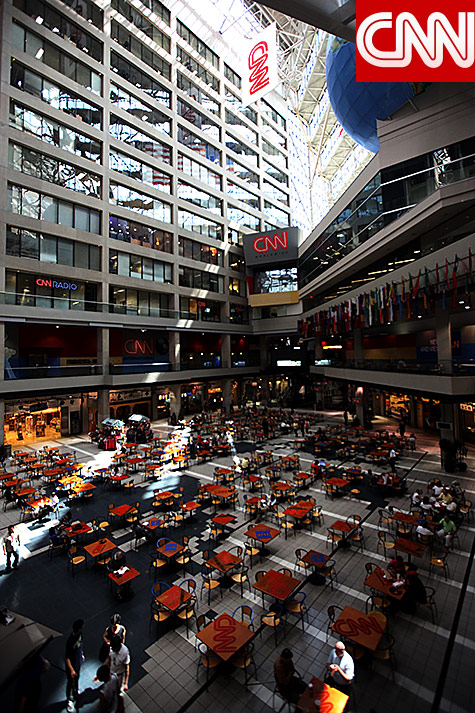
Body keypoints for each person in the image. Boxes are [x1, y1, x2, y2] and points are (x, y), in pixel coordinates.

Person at [65, 619, 85, 712]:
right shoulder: (70, 641)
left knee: (76, 679)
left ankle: (75, 691)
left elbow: (81, 645)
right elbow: (67, 658)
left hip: (78, 663)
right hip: (72, 667)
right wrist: (71, 670)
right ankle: (69, 699)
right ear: (79, 629)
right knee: (70, 683)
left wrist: (81, 654)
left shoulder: (80, 635)